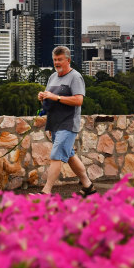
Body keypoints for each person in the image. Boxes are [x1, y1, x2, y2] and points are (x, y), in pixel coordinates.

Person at [37, 46, 97, 197]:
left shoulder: (75, 77)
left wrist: (55, 97)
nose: (57, 62)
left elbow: (78, 100)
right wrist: (43, 98)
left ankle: (46, 192)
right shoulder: (52, 77)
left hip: (68, 124)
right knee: (69, 156)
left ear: (68, 60)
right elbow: (50, 100)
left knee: (56, 156)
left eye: (60, 60)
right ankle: (88, 186)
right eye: (55, 60)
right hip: (55, 124)